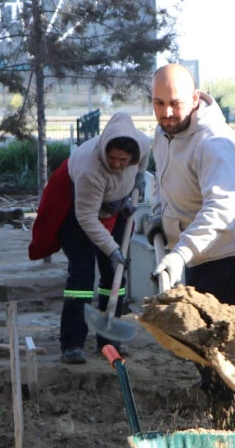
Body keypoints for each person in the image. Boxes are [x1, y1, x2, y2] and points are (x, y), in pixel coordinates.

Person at [145, 64, 235, 387]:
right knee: (203, 347)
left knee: (227, 352)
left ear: (194, 98)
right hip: (202, 256)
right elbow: (163, 182)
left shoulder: (214, 142)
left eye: (175, 102)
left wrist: (178, 254)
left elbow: (220, 210)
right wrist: (159, 215)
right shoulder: (164, 135)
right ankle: (217, 402)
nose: (168, 112)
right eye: (159, 103)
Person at [28, 112, 150, 364]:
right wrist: (113, 249)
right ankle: (72, 342)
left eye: (123, 160)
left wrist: (136, 183)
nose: (116, 164)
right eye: (112, 158)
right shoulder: (89, 167)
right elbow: (87, 218)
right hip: (77, 212)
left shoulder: (142, 144)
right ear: (104, 149)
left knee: (114, 274)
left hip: (113, 208)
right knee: (82, 274)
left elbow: (143, 162)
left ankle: (108, 338)